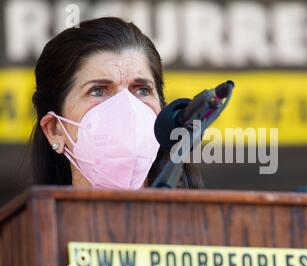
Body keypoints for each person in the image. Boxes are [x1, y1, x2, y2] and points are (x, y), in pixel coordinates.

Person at [31, 17, 203, 189]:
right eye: (97, 91)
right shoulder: (34, 216)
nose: (127, 110)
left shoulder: (203, 215)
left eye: (143, 90)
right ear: (54, 129)